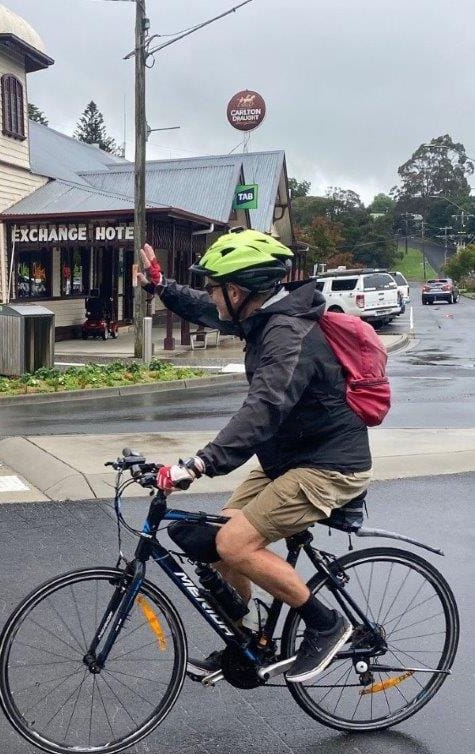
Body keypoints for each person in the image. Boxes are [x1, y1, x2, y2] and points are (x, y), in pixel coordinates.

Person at [137, 229, 371, 684]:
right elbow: (208, 309)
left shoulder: (287, 333)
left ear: (238, 292)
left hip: (329, 465)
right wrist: (159, 287)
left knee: (234, 542)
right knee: (218, 539)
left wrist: (200, 463)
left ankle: (326, 625)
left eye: (214, 286)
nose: (211, 296)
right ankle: (246, 643)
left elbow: (264, 408)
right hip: (288, 460)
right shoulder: (261, 316)